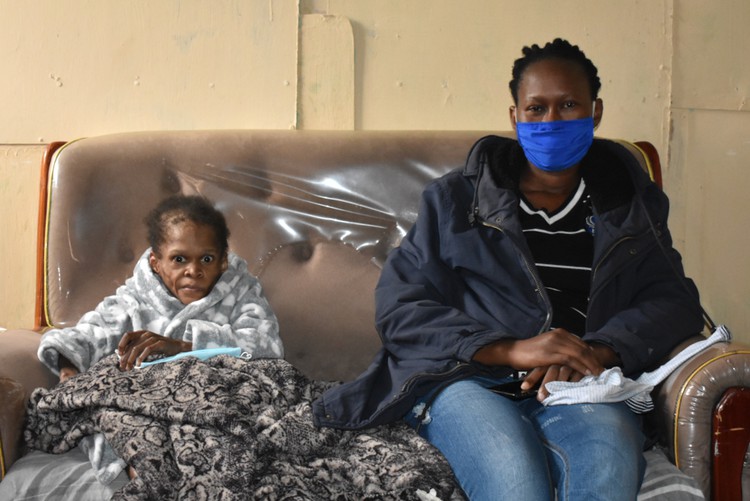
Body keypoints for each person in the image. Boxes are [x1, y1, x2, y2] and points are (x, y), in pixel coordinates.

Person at [313, 39, 704, 500]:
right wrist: (509, 350)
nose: (551, 122)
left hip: (581, 384)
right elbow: (402, 306)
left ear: (595, 112)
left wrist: (599, 351)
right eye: (536, 108)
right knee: (517, 486)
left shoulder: (630, 204)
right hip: (467, 378)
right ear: (515, 117)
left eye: (569, 105)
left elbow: (673, 301)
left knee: (606, 476)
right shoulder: (455, 200)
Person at [33, 194, 284, 485]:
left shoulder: (241, 292)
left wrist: (182, 346)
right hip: (152, 409)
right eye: (179, 259)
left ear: (223, 262)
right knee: (116, 412)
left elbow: (267, 346)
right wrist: (68, 371)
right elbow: (87, 335)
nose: (193, 270)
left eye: (206, 258)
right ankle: (147, 472)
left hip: (218, 404)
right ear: (156, 262)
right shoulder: (135, 299)